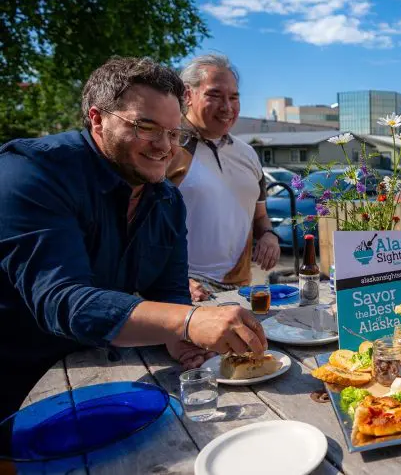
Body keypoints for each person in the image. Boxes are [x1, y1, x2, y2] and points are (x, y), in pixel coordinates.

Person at [0, 57, 267, 420]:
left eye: (173, 133)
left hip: (112, 379)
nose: (165, 147)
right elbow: (64, 301)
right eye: (146, 127)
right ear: (97, 119)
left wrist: (181, 336)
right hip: (18, 390)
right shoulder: (32, 173)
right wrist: (187, 321)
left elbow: (169, 292)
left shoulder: (167, 199)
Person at [166, 54, 280, 302]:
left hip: (242, 288)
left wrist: (269, 236)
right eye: (215, 95)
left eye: (234, 97)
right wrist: (172, 280)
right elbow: (136, 228)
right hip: (187, 289)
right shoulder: (166, 148)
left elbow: (259, 216)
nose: (227, 107)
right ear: (187, 96)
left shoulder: (248, 153)